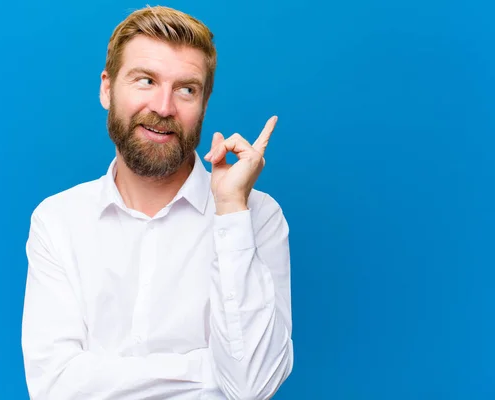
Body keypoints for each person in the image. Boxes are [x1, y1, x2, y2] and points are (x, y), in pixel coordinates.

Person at [20, 5, 293, 400]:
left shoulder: (257, 217)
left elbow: (253, 385)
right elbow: (55, 387)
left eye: (186, 89)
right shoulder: (58, 220)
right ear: (107, 89)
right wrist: (209, 370)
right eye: (146, 80)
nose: (164, 107)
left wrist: (231, 209)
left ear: (203, 103)